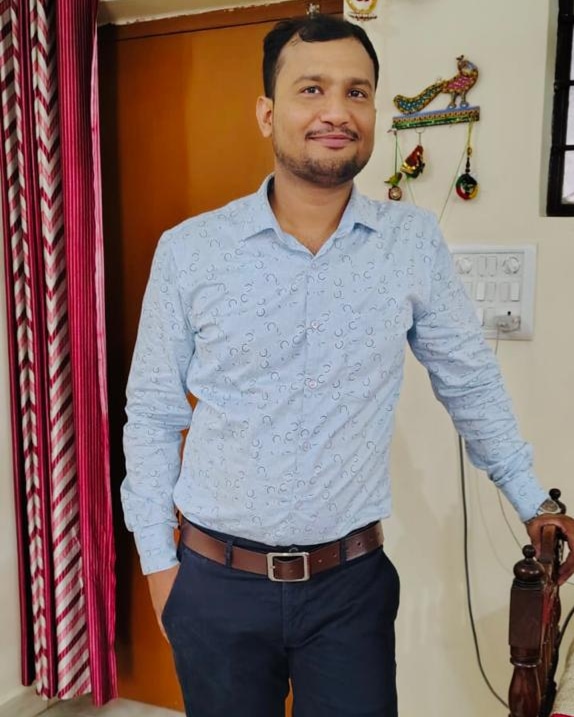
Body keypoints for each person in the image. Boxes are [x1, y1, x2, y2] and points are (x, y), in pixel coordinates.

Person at [121, 14, 574, 717]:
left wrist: (533, 501)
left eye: (356, 92)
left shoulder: (411, 243)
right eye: (312, 89)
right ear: (267, 113)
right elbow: (152, 416)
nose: (336, 111)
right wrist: (158, 564)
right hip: (216, 584)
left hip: (349, 589)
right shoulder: (191, 251)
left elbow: (470, 382)